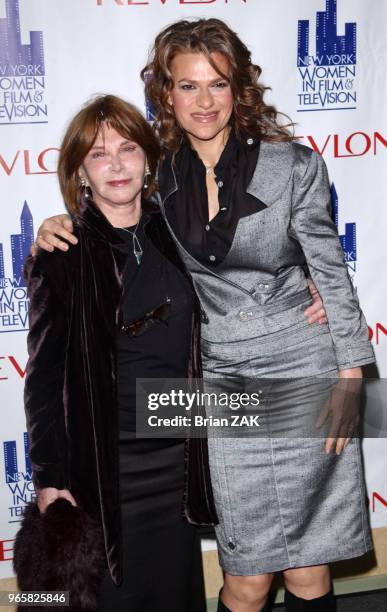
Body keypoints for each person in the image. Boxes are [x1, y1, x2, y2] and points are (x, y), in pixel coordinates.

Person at [31, 18, 371, 612]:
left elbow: (331, 272)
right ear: (167, 94)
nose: (204, 101)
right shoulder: (160, 179)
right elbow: (110, 204)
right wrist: (55, 223)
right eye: (187, 87)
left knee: (311, 571)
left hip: (304, 372)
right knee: (246, 577)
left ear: (238, 89)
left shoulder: (292, 167)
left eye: (216, 84)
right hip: (223, 387)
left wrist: (349, 375)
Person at [23, 94, 218, 612]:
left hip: (180, 459)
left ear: (148, 159)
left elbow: (253, 275)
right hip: (109, 470)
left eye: (127, 148)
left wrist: (311, 289)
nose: (115, 164)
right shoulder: (62, 253)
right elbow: (42, 383)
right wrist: (50, 480)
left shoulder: (184, 232)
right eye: (98, 154)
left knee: (176, 595)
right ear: (80, 172)